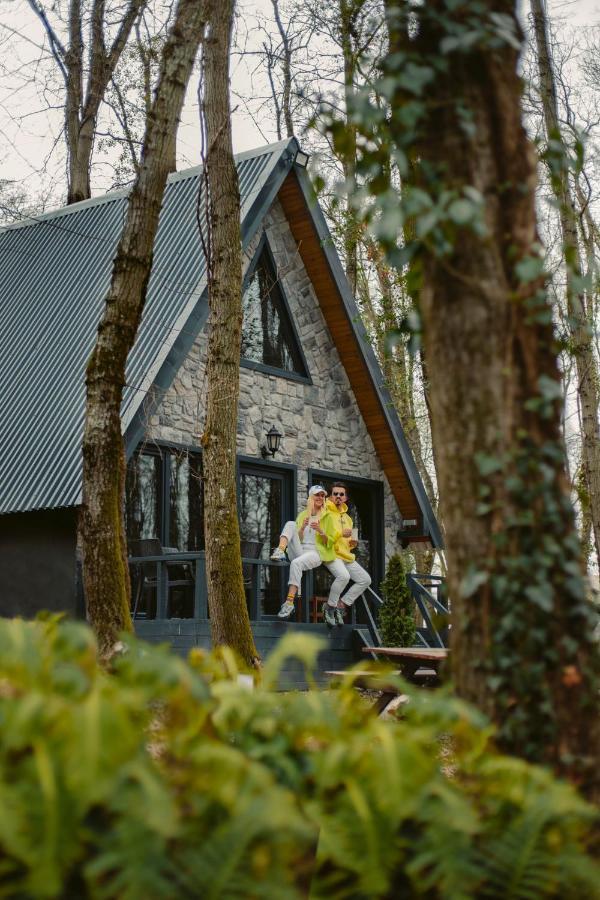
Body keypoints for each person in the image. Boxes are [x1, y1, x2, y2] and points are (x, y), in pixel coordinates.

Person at [271, 485, 337, 619]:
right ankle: (280, 550)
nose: (320, 497)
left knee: (296, 563)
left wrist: (320, 530)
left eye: (322, 495)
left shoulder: (328, 516)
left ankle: (289, 602)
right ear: (311, 497)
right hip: (300, 549)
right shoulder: (303, 514)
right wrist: (302, 528)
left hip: (316, 553)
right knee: (290, 524)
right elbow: (299, 538)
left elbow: (330, 542)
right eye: (317, 495)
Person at [322, 482, 371, 627]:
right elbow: (323, 537)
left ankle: (341, 605)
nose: (338, 496)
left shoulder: (348, 518)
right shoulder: (325, 513)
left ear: (345, 498)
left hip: (346, 555)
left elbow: (348, 538)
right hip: (331, 553)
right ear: (330, 497)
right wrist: (340, 534)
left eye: (341, 494)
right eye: (335, 493)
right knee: (344, 576)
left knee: (365, 580)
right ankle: (329, 608)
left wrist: (352, 542)